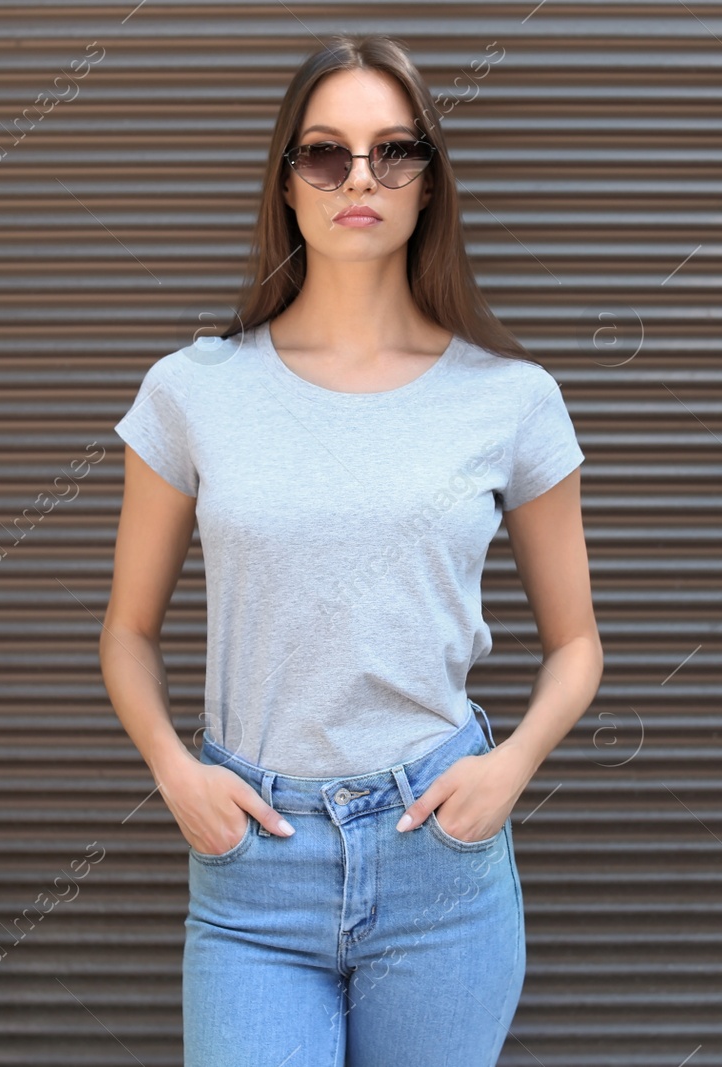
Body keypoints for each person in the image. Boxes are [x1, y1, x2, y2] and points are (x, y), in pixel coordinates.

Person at [100, 32, 601, 1067]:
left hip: (440, 857)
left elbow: (579, 643)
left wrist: (510, 766)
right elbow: (127, 630)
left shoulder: (512, 397)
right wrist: (174, 770)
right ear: (287, 184)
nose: (359, 179)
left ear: (429, 184)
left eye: (394, 152)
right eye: (325, 154)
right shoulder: (195, 389)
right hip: (255, 863)